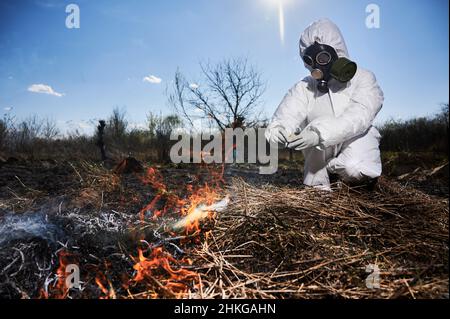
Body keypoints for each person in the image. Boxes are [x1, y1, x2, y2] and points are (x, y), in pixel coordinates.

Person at [265, 18, 384, 190]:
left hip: (356, 139)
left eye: (322, 57)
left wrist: (318, 134)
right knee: (316, 192)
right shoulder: (305, 87)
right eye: (309, 60)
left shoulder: (364, 78)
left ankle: (337, 173)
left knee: (355, 169)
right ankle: (320, 180)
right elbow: (285, 115)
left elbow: (359, 116)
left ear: (338, 52)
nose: (316, 66)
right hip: (319, 151)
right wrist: (279, 132)